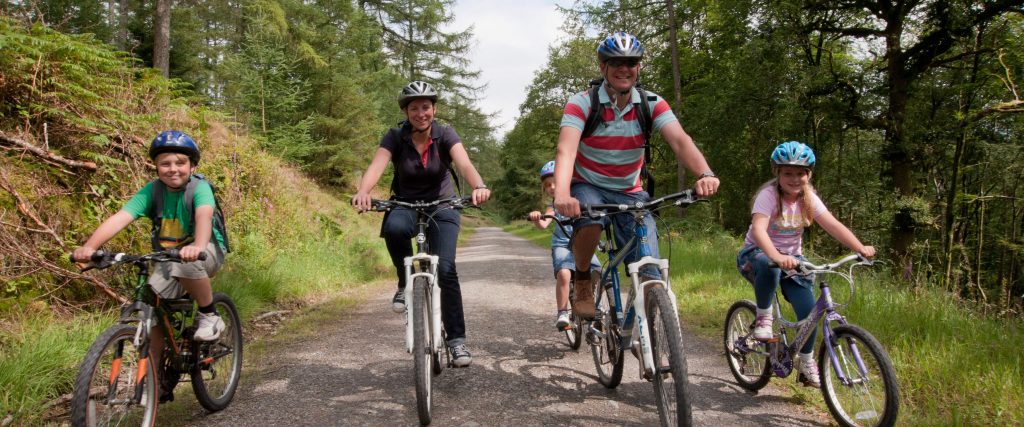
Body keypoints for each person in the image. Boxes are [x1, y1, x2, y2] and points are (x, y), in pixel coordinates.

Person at [553, 31, 720, 319]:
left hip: (630, 191)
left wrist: (704, 173)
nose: (624, 68)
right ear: (602, 66)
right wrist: (562, 194)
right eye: (615, 62)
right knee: (590, 222)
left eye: (631, 62)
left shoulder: (651, 103)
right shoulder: (582, 103)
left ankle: (647, 333)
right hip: (588, 184)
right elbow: (566, 152)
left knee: (649, 268)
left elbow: (680, 141)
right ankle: (582, 278)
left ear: (639, 67)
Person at [72, 130, 228, 401]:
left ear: (192, 166)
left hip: (205, 251)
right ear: (156, 167)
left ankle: (209, 314)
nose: (173, 169)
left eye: (180, 163)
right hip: (168, 256)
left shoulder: (199, 188)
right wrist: (90, 248)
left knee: (185, 265)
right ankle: (155, 380)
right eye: (165, 163)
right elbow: (121, 217)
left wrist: (198, 246)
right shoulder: (152, 191)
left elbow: (204, 215)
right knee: (151, 305)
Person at [351, 80, 491, 367]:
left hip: (443, 205)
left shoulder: (445, 134)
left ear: (434, 109)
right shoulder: (394, 137)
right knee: (394, 228)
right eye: (414, 108)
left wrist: (478, 185)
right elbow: (377, 165)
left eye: (425, 107)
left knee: (447, 270)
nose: (420, 113)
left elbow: (463, 163)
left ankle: (456, 342)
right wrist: (364, 192)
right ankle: (404, 283)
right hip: (405, 203)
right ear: (406, 112)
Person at [736, 141, 875, 388]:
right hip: (756, 254)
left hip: (792, 261)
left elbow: (832, 225)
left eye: (800, 173)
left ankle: (806, 362)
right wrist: (776, 256)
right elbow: (758, 230)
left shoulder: (809, 198)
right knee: (770, 264)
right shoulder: (768, 195)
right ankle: (763, 319)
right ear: (777, 173)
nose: (794, 178)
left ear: (809, 174)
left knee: (809, 311)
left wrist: (859, 247)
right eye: (787, 172)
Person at [527, 160, 602, 331]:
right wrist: (537, 219)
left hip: (582, 246)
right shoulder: (553, 206)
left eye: (555, 182)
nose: (552, 187)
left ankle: (595, 304)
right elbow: (544, 224)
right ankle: (562, 312)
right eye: (547, 185)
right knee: (564, 273)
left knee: (597, 272)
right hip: (562, 245)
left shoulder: (581, 200)